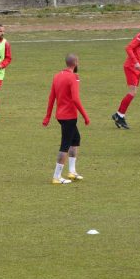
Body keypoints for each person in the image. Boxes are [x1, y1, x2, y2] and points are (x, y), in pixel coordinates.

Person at [43, 54, 90, 185]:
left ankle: (72, 171)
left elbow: (51, 97)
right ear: (75, 63)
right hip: (69, 116)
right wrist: (85, 116)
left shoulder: (57, 76)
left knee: (76, 139)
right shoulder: (73, 77)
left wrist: (47, 116)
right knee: (65, 145)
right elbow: (75, 99)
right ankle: (56, 177)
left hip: (60, 115)